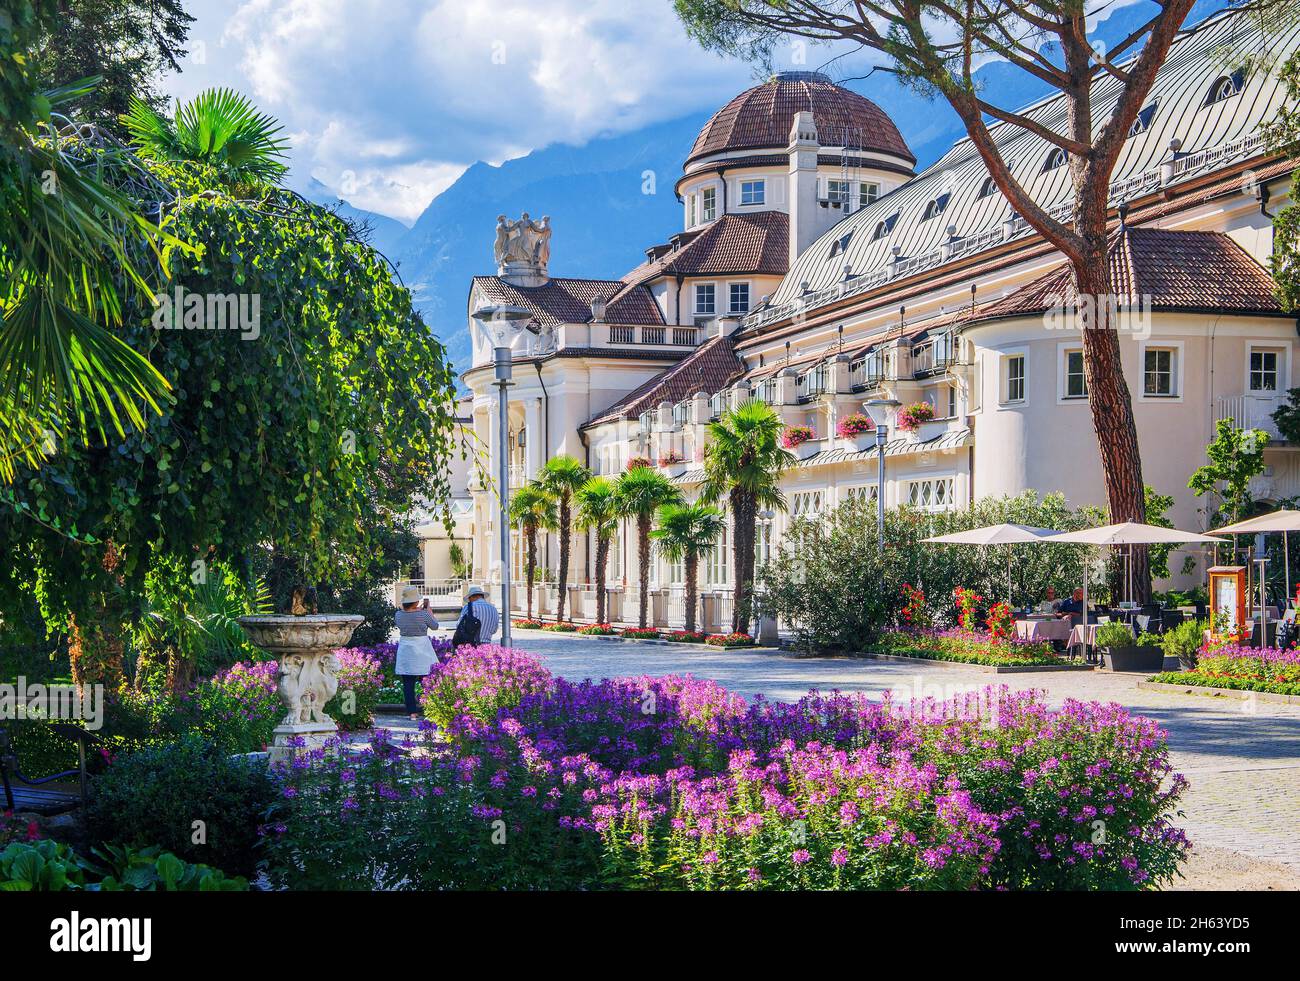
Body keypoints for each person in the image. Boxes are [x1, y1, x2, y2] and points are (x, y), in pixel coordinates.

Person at [394, 585, 440, 720]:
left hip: (406, 650)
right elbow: (435, 626)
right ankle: (432, 709)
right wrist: (428, 609)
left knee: (408, 683)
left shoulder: (398, 615)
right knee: (427, 681)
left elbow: (403, 619)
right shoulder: (423, 614)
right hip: (422, 650)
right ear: (416, 601)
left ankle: (412, 712)